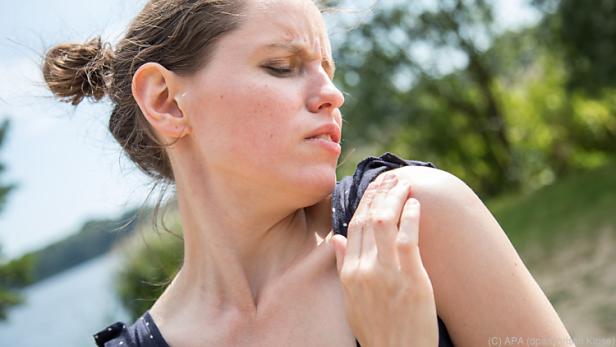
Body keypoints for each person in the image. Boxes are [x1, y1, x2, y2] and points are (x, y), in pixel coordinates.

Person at [41, 0, 574, 346]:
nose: (333, 95)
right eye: (282, 66)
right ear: (167, 102)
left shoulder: (415, 221)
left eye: (328, 70)